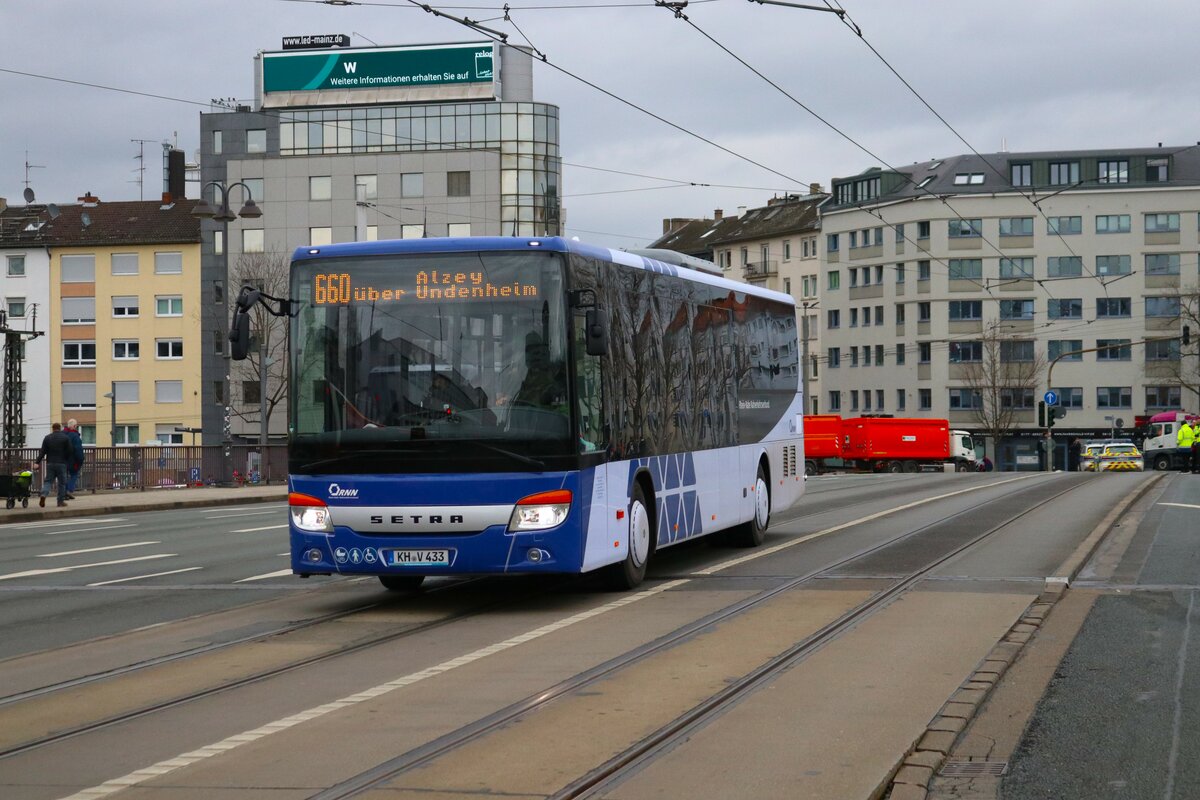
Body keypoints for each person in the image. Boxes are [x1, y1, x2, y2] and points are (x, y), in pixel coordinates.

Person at [35, 422, 73, 507]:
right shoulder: (65, 438)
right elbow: (70, 451)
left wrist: (37, 462)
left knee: (48, 481)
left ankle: (43, 494)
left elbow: (42, 452)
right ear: (60, 428)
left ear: (53, 428)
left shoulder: (47, 438)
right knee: (62, 483)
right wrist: (66, 458)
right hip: (61, 463)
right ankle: (60, 502)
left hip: (50, 463)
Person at [63, 417, 84, 500]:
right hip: (73, 460)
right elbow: (78, 449)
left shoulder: (63, 434)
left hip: (62, 460)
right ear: (75, 426)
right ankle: (69, 490)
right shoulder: (75, 436)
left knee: (63, 476)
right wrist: (80, 460)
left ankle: (63, 492)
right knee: (74, 475)